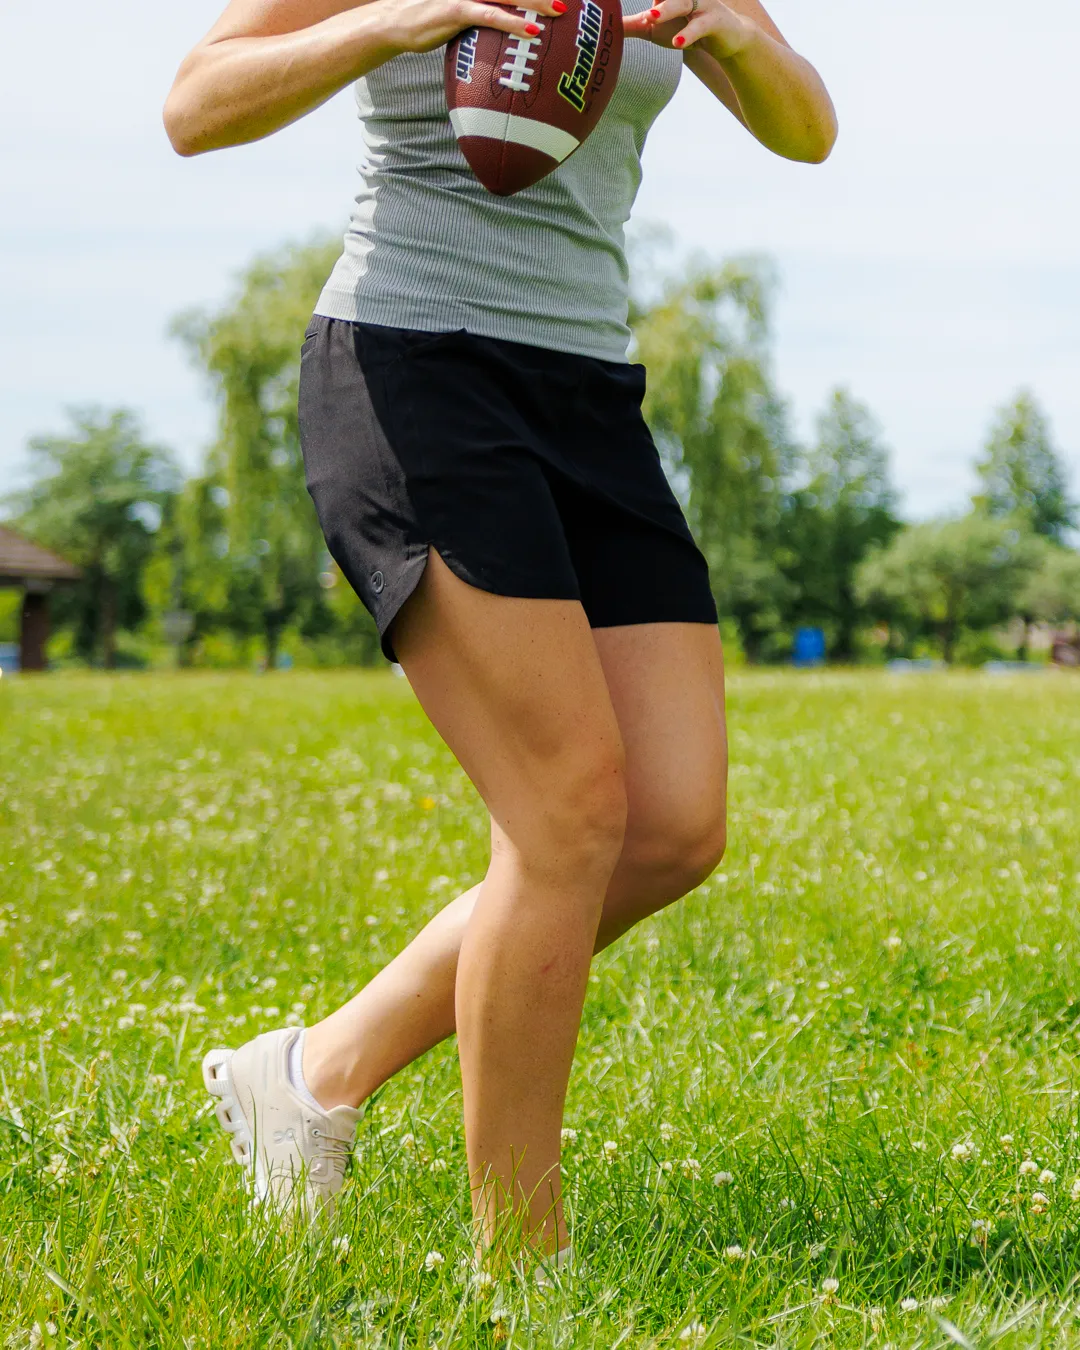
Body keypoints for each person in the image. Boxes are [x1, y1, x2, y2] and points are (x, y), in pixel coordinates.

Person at [166, 0, 835, 1270]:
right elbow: (197, 104)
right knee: (569, 813)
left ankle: (308, 1075)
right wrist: (386, 25)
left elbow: (807, 128)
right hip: (413, 361)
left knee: (673, 825)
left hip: (588, 389)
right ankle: (520, 1264)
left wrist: (739, 42)